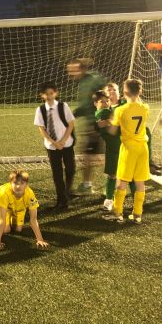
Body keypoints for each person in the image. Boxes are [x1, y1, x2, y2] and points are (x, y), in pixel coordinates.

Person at [104, 79, 150, 224]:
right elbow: (138, 104)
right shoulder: (145, 108)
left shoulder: (120, 110)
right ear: (140, 91)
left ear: (124, 92)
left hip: (128, 148)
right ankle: (137, 214)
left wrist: (110, 118)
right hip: (143, 148)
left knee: (121, 182)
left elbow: (112, 131)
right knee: (140, 182)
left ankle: (117, 213)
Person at [67, 58, 106, 194]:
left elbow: (104, 98)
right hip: (92, 123)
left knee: (94, 156)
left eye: (74, 70)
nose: (71, 73)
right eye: (69, 70)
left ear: (82, 69)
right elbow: (85, 105)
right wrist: (73, 114)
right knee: (91, 155)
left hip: (97, 123)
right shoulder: (83, 82)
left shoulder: (93, 80)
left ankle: (93, 186)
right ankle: (89, 184)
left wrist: (97, 123)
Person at [34, 82, 76, 209]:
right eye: (46, 94)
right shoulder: (40, 110)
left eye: (51, 93)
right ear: (42, 95)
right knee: (57, 174)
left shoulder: (63, 106)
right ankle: (61, 199)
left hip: (66, 144)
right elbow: (42, 129)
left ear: (56, 93)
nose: (49, 96)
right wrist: (54, 142)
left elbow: (71, 124)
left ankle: (67, 192)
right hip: (52, 147)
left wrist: (62, 141)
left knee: (70, 169)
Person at [0, 170, 48, 250]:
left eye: (22, 183)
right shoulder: (3, 193)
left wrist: (40, 239)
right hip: (5, 208)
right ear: (10, 183)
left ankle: (12, 217)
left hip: (19, 209)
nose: (18, 186)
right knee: (6, 230)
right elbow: (2, 220)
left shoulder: (30, 195)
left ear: (26, 184)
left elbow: (33, 220)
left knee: (18, 229)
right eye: (15, 183)